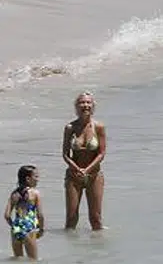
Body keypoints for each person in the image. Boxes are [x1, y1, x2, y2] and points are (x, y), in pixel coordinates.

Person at [62, 91, 106, 230]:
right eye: (82, 102)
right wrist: (77, 169)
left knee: (96, 218)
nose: (85, 105)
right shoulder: (70, 128)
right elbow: (65, 154)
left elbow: (101, 153)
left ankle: (98, 249)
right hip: (74, 176)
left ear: (93, 106)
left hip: (94, 175)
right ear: (76, 106)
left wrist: (87, 170)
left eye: (88, 102)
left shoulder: (99, 127)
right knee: (71, 218)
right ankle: (70, 249)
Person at [5, 165, 44, 260]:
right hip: (29, 227)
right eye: (36, 177)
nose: (38, 179)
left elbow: (6, 215)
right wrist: (41, 229)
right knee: (33, 260)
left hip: (16, 227)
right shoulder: (35, 193)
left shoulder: (14, 194)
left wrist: (14, 225)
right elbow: (40, 215)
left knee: (18, 259)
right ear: (28, 179)